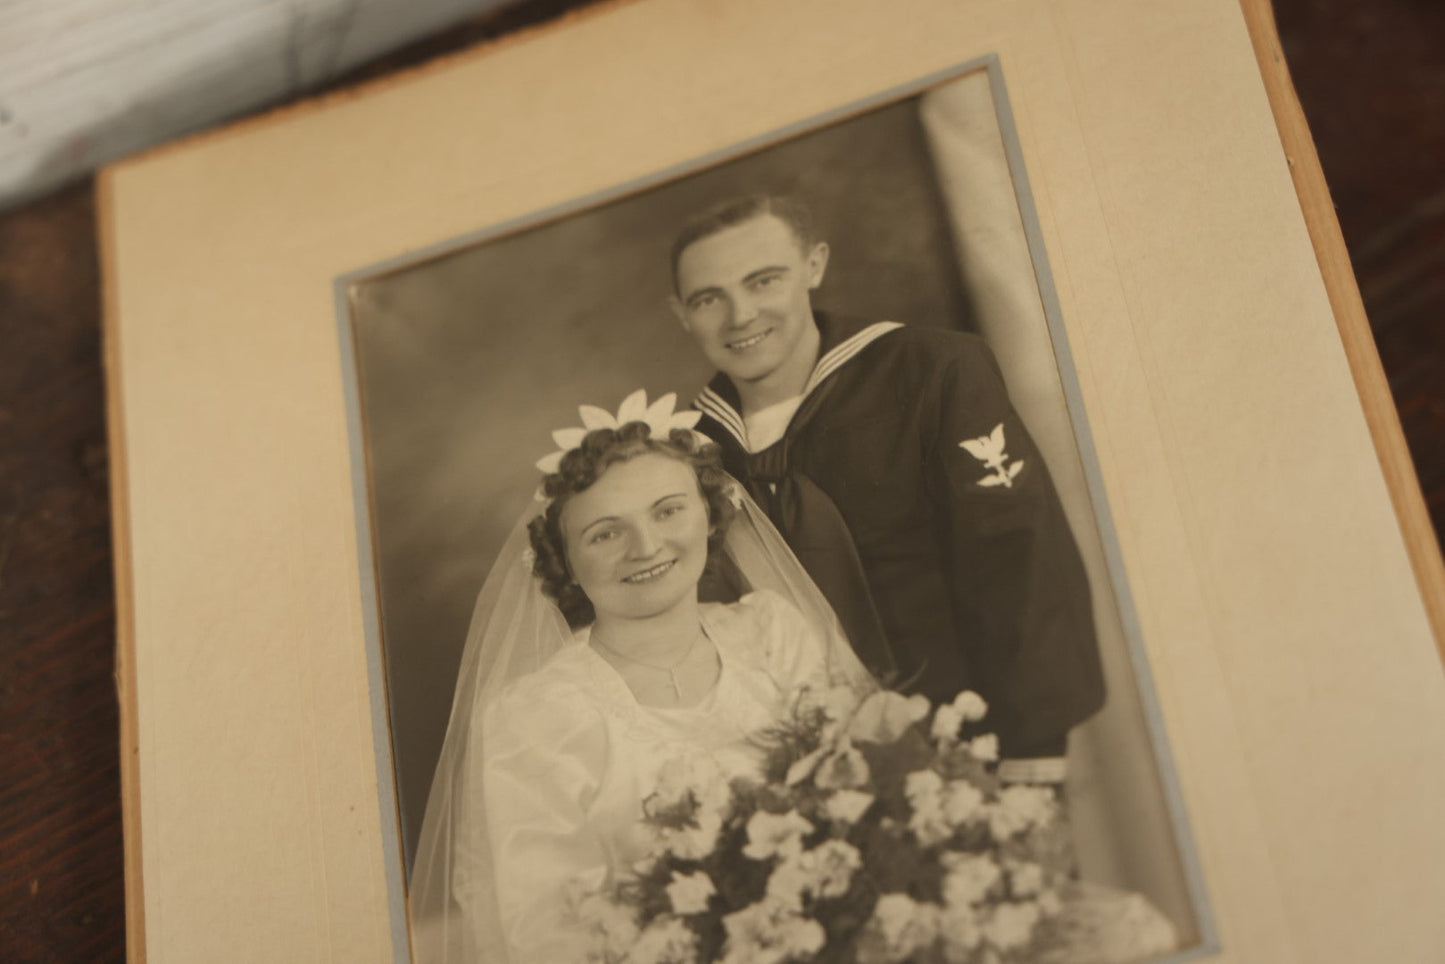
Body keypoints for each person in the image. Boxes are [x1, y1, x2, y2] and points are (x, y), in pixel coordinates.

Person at [406, 390, 872, 964]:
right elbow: (546, 933)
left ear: (710, 512)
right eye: (605, 532)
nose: (646, 546)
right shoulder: (536, 716)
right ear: (565, 563)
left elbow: (870, 803)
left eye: (668, 510)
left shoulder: (775, 635)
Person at [670, 195, 1105, 785]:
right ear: (681, 313)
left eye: (763, 280)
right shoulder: (683, 448)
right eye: (707, 298)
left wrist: (1035, 742)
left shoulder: (930, 369)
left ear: (814, 266)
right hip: (796, 777)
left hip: (972, 744)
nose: (740, 314)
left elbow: (1019, 555)